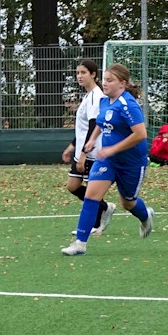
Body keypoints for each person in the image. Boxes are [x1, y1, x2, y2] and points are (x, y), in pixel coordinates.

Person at [62, 63, 155, 256]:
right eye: (104, 79)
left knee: (127, 202)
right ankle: (80, 243)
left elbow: (140, 134)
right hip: (108, 160)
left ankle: (146, 216)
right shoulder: (105, 101)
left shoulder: (128, 104)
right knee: (91, 196)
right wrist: (93, 141)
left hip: (132, 163)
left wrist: (113, 148)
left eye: (109, 80)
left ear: (122, 83)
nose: (105, 83)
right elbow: (101, 122)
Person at [60, 60, 116, 238]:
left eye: (83, 72)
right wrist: (72, 146)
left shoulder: (96, 96)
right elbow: (83, 127)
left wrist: (84, 154)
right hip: (81, 151)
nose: (79, 76)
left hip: (91, 152)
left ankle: (95, 223)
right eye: (77, 73)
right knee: (72, 186)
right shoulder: (87, 95)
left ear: (93, 74)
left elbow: (94, 127)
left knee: (92, 191)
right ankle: (105, 207)